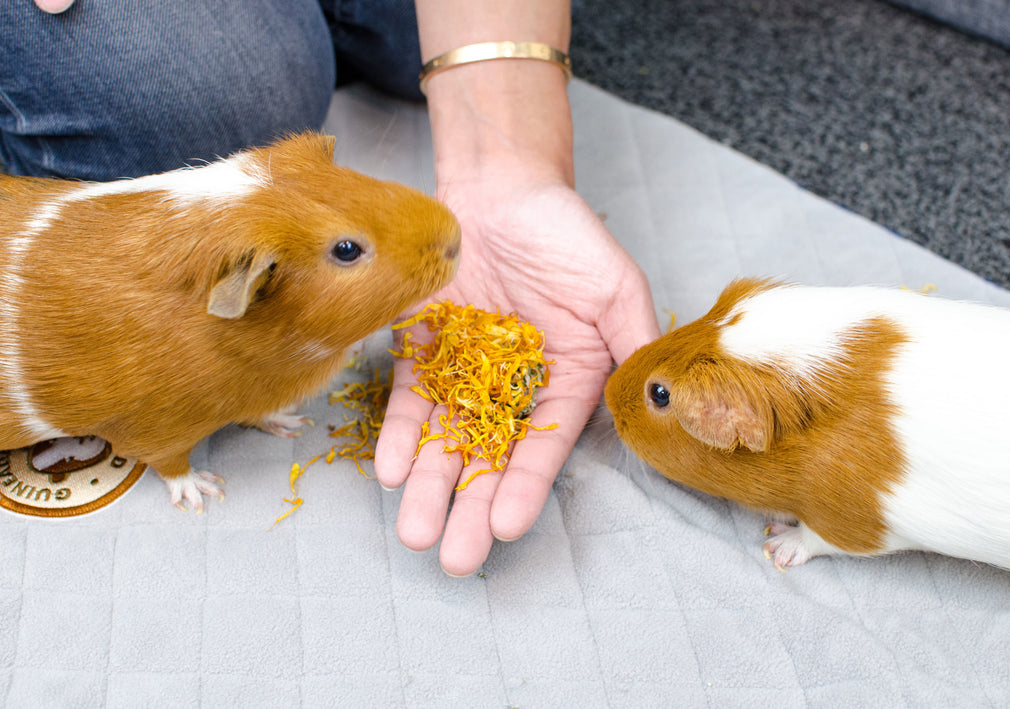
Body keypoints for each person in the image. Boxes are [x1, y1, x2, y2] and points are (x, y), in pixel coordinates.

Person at [3, 0, 661, 576]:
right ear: (248, 292)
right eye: (348, 252)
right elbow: (148, 421)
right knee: (216, 92)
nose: (446, 241)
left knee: (416, 44)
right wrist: (176, 468)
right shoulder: (188, 346)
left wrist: (509, 155)